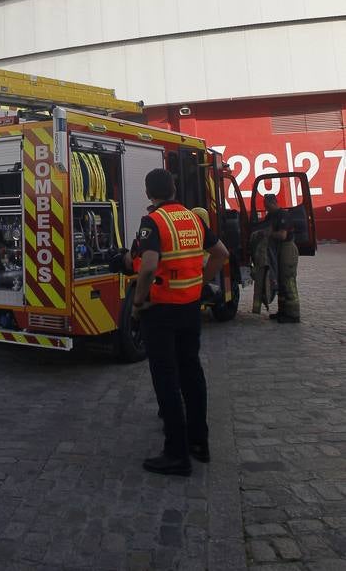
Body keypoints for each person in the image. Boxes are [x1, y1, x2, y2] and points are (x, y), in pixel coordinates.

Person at [131, 168, 228, 476]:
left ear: (149, 193)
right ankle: (199, 442)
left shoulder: (153, 221)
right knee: (191, 373)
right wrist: (200, 283)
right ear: (174, 188)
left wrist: (137, 304)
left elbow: (147, 268)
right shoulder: (193, 219)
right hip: (189, 308)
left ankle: (176, 453)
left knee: (166, 379)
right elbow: (221, 254)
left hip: (161, 312)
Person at [262, 194, 300, 323]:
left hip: (287, 248)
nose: (266, 208)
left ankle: (293, 314)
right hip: (277, 250)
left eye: (267, 206)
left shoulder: (283, 215)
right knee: (279, 280)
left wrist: (269, 234)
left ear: (273, 203)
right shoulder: (271, 216)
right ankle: (283, 311)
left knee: (288, 280)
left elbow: (283, 235)